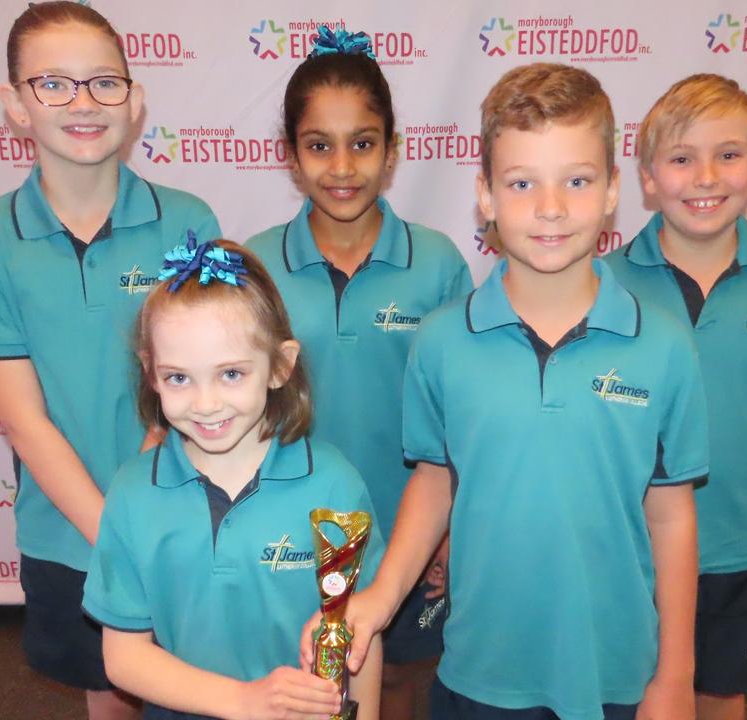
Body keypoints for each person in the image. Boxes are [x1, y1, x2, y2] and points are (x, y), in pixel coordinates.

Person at [304, 63, 709, 719]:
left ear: (612, 190)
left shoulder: (663, 346)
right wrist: (378, 598)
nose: (550, 208)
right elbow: (434, 483)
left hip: (616, 672)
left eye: (576, 181)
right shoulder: (440, 342)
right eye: (522, 183)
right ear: (485, 196)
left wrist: (675, 676)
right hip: (481, 671)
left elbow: (672, 515)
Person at [0, 3, 219, 717]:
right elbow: (24, 422)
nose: (83, 103)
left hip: (188, 516)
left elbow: (202, 383)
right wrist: (116, 532)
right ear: (16, 105)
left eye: (103, 82)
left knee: (202, 693)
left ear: (136, 100)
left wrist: (150, 515)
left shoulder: (190, 221)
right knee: (113, 691)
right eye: (53, 84)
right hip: (68, 534)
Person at [247, 27, 472, 718]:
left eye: (363, 142)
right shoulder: (257, 264)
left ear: (392, 150)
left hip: (407, 530)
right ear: (290, 157)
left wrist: (448, 529)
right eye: (319, 145)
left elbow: (464, 412)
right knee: (295, 687)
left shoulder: (437, 265)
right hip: (284, 531)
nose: (342, 166)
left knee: (401, 683)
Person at [606, 74, 747, 720]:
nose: (706, 177)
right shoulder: (606, 286)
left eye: (727, 155)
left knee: (721, 694)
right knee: (628, 694)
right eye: (681, 158)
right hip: (630, 549)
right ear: (648, 179)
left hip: (741, 548)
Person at [83, 238, 383, 719]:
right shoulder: (132, 495)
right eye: (179, 377)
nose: (205, 404)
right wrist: (244, 702)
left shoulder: (333, 486)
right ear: (151, 374)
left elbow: (358, 636)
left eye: (230, 374)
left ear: (280, 366)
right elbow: (123, 658)